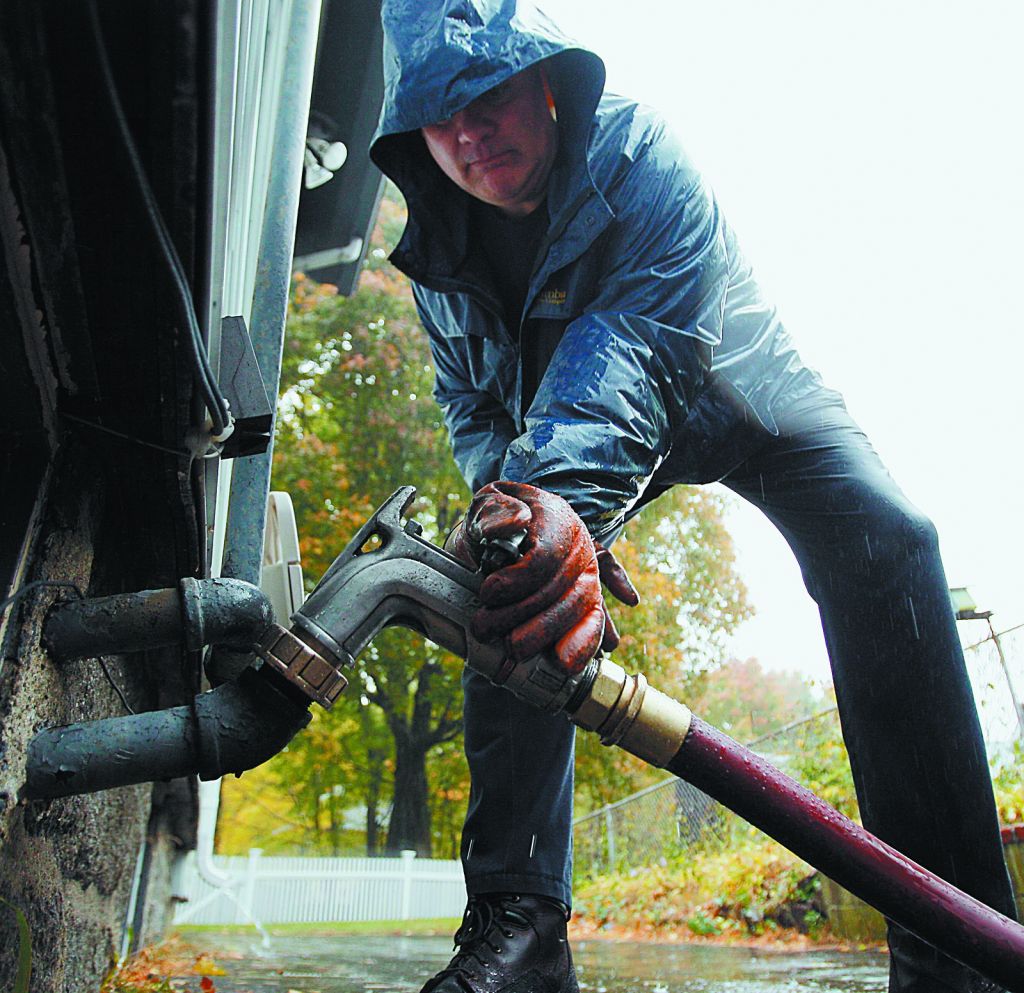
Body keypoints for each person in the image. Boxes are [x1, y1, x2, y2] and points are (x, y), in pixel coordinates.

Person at [368, 3, 1017, 991]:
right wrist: (529, 516)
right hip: (569, 423)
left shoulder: (643, 158)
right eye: (438, 116)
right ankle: (519, 928)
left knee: (890, 541)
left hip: (734, 389)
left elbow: (639, 349)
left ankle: (954, 942)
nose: (467, 135)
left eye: (487, 96)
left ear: (548, 82)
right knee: (504, 563)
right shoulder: (438, 259)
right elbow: (471, 404)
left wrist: (565, 498)